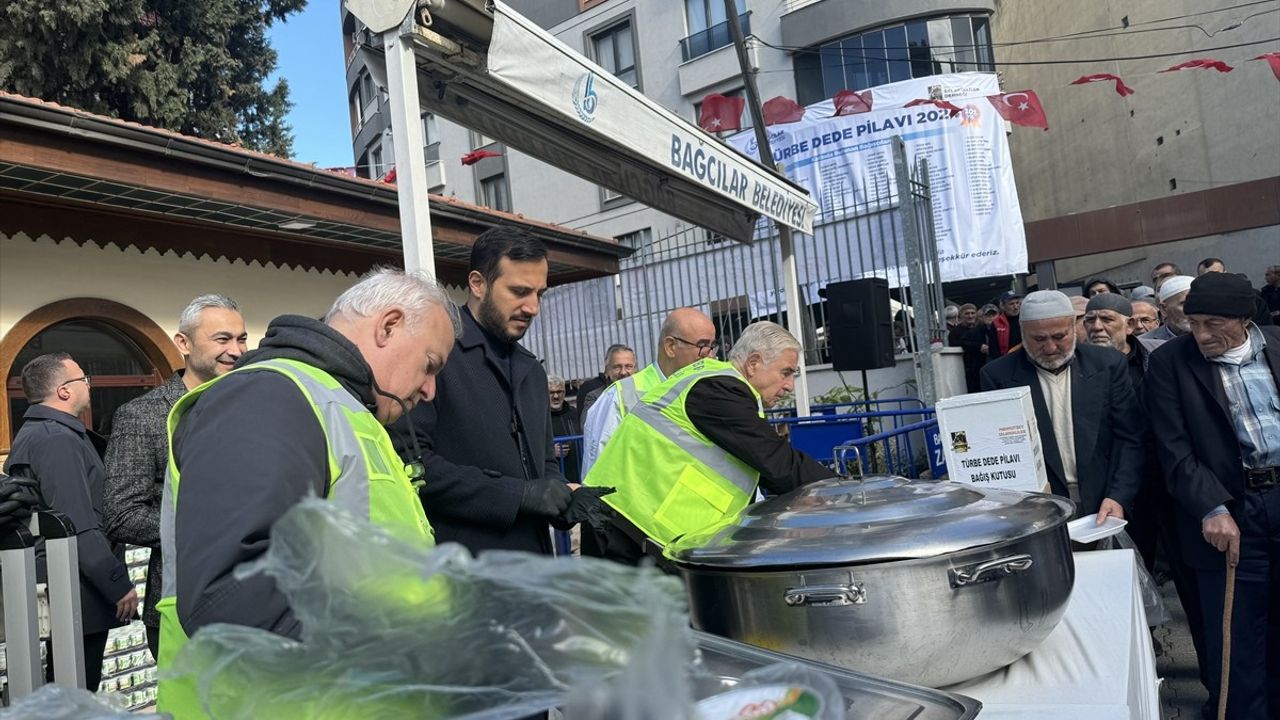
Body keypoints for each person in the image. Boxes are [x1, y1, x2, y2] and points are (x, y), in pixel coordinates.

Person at [155, 269, 456, 717]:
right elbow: (234, 597)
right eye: (430, 365)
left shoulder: (342, 411)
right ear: (388, 325)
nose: (430, 389)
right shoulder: (270, 396)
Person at [1143, 272, 1280, 719]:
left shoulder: (1276, 345)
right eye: (1193, 322)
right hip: (1232, 510)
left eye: (1213, 323)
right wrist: (1212, 507)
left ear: (1245, 319)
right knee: (1236, 640)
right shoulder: (1170, 363)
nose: (1201, 334)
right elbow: (1174, 449)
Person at [583, 321, 833, 564]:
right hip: (625, 530)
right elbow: (777, 463)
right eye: (786, 372)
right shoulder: (719, 388)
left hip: (634, 530)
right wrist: (837, 489)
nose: (790, 385)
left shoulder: (717, 384)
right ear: (754, 363)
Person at [404, 227, 578, 556]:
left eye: (539, 294)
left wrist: (561, 497)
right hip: (465, 577)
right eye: (519, 291)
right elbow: (414, 467)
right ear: (478, 283)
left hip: (534, 572)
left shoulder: (532, 371)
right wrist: (518, 496)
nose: (533, 308)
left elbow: (543, 464)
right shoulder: (435, 358)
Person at [101, 294, 247, 660]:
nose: (236, 350)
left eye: (242, 339)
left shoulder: (251, 405)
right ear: (183, 343)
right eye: (222, 339)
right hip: (181, 600)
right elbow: (121, 514)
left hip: (254, 598)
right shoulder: (143, 416)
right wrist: (209, 530)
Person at [4, 353, 139, 691]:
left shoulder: (43, 432)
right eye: (83, 379)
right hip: (75, 587)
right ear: (64, 390)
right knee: (76, 688)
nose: (89, 386)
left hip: (71, 582)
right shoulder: (56, 439)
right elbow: (74, 523)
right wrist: (117, 583)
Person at [980, 291, 1144, 520]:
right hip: (1039, 508)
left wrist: (1119, 495)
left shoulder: (1107, 365)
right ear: (1023, 332)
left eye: (1059, 336)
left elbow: (1130, 437)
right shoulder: (998, 376)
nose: (1050, 348)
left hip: (1105, 501)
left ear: (1075, 328)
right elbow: (998, 449)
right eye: (1038, 339)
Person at [581, 308, 717, 478]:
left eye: (712, 347)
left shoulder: (710, 391)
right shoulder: (619, 397)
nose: (710, 356)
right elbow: (598, 472)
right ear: (670, 347)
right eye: (702, 346)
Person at [579, 345, 638, 421]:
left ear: (635, 369)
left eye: (628, 366)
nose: (623, 372)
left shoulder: (646, 392)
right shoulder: (596, 397)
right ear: (607, 370)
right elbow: (588, 427)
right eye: (617, 367)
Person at [547, 375, 581, 484]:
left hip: (578, 474)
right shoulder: (539, 418)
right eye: (551, 392)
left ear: (565, 392)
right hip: (554, 480)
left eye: (559, 391)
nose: (556, 396)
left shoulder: (574, 413)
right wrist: (550, 451)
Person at [947, 303, 986, 393]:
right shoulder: (955, 332)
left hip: (982, 367)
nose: (970, 316)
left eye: (973, 313)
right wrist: (978, 346)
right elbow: (956, 344)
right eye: (967, 313)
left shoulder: (981, 328)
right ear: (961, 315)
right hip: (965, 370)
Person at [1145, 275, 1194, 342]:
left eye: (1198, 303)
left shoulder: (1212, 335)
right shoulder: (1146, 344)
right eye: (1185, 303)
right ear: (1164, 309)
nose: (1194, 309)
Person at [985, 291, 1023, 360]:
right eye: (1011, 304)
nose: (1016, 307)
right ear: (1003, 306)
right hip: (1006, 360)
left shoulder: (1025, 319)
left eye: (1017, 303)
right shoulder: (996, 323)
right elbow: (993, 348)